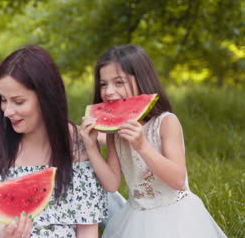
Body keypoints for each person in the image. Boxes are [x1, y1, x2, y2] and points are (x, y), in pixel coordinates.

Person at [80, 44, 227, 238]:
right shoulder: (114, 133)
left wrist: (142, 146)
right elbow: (112, 184)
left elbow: (177, 180)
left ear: (141, 81)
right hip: (135, 216)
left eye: (119, 82)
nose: (108, 92)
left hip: (177, 216)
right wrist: (91, 147)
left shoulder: (166, 123)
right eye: (103, 84)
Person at [0, 45, 108, 237]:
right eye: (3, 100)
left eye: (18, 101)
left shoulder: (77, 145)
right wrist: (5, 233)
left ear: (46, 97)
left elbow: (87, 227)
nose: (7, 111)